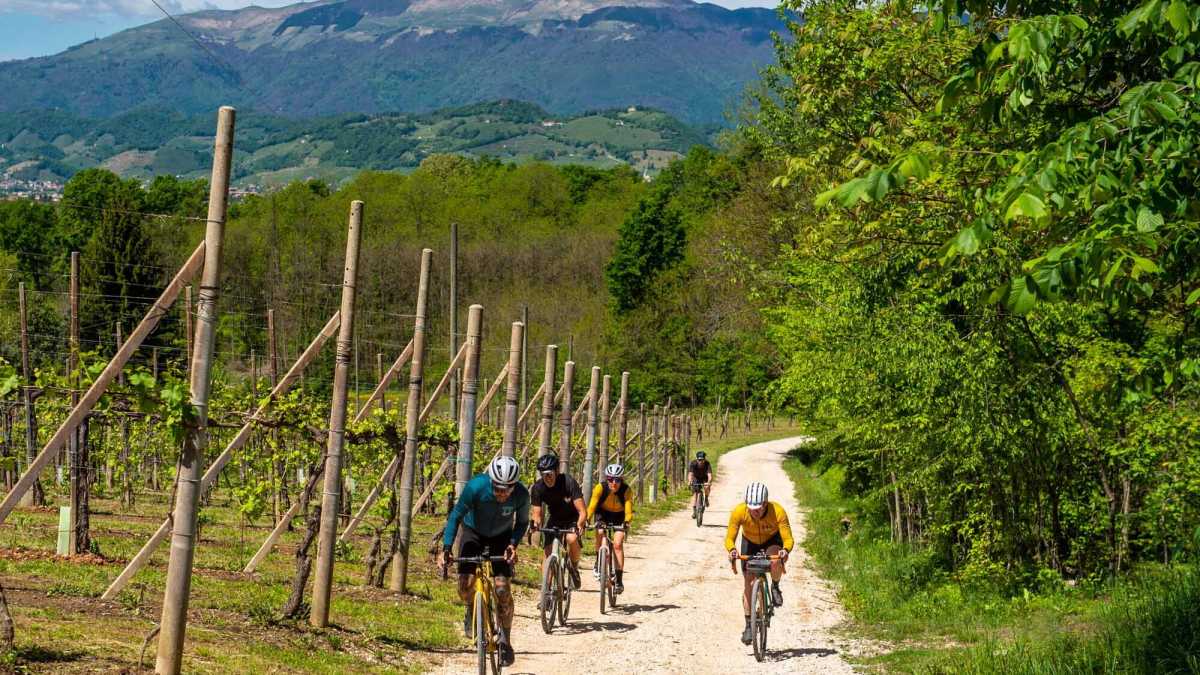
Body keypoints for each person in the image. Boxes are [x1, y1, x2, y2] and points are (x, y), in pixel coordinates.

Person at [439, 455, 529, 667]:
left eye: (507, 489)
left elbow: (522, 522)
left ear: (514, 486)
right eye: (497, 488)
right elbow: (456, 516)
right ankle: (471, 608)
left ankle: (505, 639)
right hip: (473, 533)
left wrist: (513, 545)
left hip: (502, 537)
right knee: (464, 585)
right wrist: (446, 548)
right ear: (491, 481)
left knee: (502, 589)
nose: (501, 493)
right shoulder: (476, 487)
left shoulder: (522, 495)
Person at [725, 482, 793, 645]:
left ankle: (775, 587)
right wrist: (732, 549)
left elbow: (788, 539)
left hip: (771, 541)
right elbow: (729, 538)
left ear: (765, 503)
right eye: (751, 508)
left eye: (759, 508)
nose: (754, 512)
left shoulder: (778, 511)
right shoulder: (739, 512)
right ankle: (749, 625)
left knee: (775, 559)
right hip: (750, 542)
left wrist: (785, 550)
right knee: (748, 583)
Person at [529, 453, 587, 590]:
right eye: (543, 474)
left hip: (572, 517)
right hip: (555, 518)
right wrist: (535, 525)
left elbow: (582, 511)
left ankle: (574, 567)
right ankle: (546, 591)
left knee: (572, 539)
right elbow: (537, 514)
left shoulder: (568, 482)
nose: (547, 478)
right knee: (548, 552)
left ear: (556, 471)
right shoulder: (538, 488)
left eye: (549, 474)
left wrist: (579, 524)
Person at [586, 463, 633, 594]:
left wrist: (627, 522)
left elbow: (629, 511)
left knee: (617, 544)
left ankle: (619, 580)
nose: (614, 483)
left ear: (621, 480)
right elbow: (591, 507)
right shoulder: (600, 488)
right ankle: (598, 561)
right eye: (611, 479)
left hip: (619, 516)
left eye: (617, 480)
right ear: (607, 479)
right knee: (600, 533)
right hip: (603, 514)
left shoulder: (626, 490)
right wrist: (586, 520)